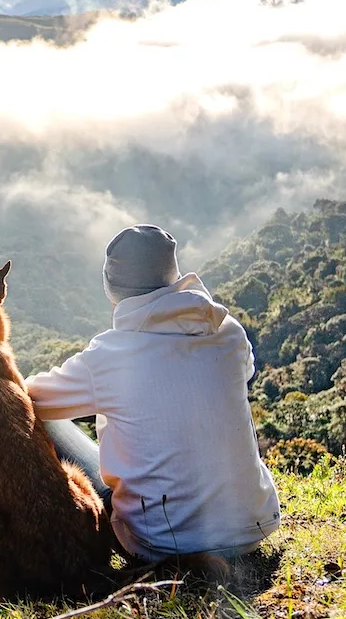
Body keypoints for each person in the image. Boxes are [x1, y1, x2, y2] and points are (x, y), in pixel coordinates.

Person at [25, 224, 281, 564]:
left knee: (41, 417)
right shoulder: (227, 329)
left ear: (111, 289)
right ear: (173, 276)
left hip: (162, 543)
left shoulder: (110, 355)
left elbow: (23, 396)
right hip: (254, 527)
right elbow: (242, 373)